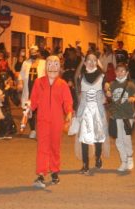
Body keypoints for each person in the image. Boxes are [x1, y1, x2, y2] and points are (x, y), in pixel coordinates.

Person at [29, 55, 73, 188]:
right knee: (42, 147)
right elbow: (34, 100)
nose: (53, 67)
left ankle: (54, 172)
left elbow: (67, 101)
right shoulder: (38, 82)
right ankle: (41, 174)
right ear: (45, 66)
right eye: (50, 64)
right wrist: (29, 109)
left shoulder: (63, 84)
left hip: (57, 120)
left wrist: (69, 112)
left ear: (59, 67)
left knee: (55, 147)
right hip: (42, 120)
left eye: (56, 64)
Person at [75, 53, 110, 175]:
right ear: (85, 62)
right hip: (85, 110)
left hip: (98, 110)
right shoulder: (81, 76)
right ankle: (85, 165)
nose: (91, 62)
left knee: (98, 137)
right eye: (89, 60)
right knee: (84, 138)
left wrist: (108, 90)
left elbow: (107, 88)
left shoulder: (102, 76)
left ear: (97, 62)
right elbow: (78, 90)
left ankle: (98, 157)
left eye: (94, 60)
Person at [106, 63, 135, 171]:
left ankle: (129, 157)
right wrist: (108, 94)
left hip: (127, 115)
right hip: (116, 116)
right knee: (118, 140)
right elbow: (109, 98)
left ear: (127, 73)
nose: (120, 73)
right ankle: (123, 161)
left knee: (126, 138)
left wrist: (133, 99)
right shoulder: (112, 84)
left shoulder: (130, 84)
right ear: (115, 72)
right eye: (118, 71)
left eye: (122, 71)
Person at [18, 45, 46, 139]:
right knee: (29, 111)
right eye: (31, 52)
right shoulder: (26, 63)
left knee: (41, 111)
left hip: (40, 90)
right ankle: (33, 130)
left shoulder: (43, 63)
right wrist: (20, 83)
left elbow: (48, 75)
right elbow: (21, 74)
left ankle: (41, 130)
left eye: (35, 52)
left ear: (38, 52)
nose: (33, 53)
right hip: (28, 89)